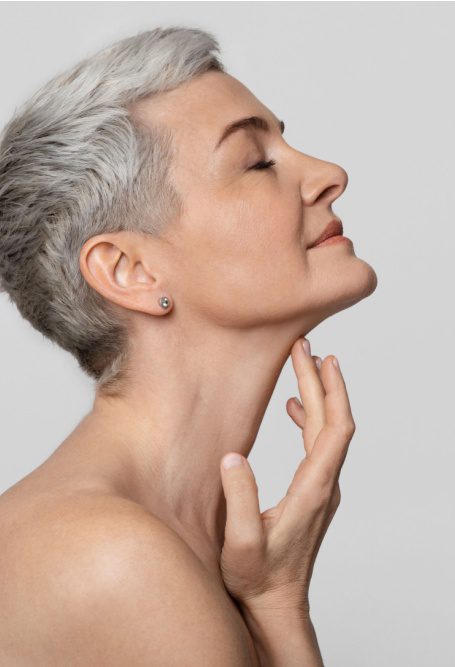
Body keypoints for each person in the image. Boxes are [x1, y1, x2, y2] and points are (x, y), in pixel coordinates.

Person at [0, 25, 377, 665]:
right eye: (258, 162)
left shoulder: (149, 539)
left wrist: (278, 604)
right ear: (130, 270)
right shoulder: (117, 560)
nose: (328, 175)